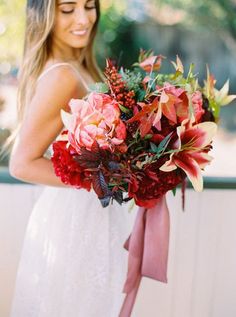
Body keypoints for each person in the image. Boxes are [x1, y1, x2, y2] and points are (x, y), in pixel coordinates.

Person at [9, 1, 136, 316]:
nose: (83, 19)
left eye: (89, 6)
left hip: (88, 214)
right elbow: (22, 163)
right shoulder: (62, 75)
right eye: (67, 9)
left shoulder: (79, 65)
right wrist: (105, 179)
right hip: (76, 221)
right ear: (46, 15)